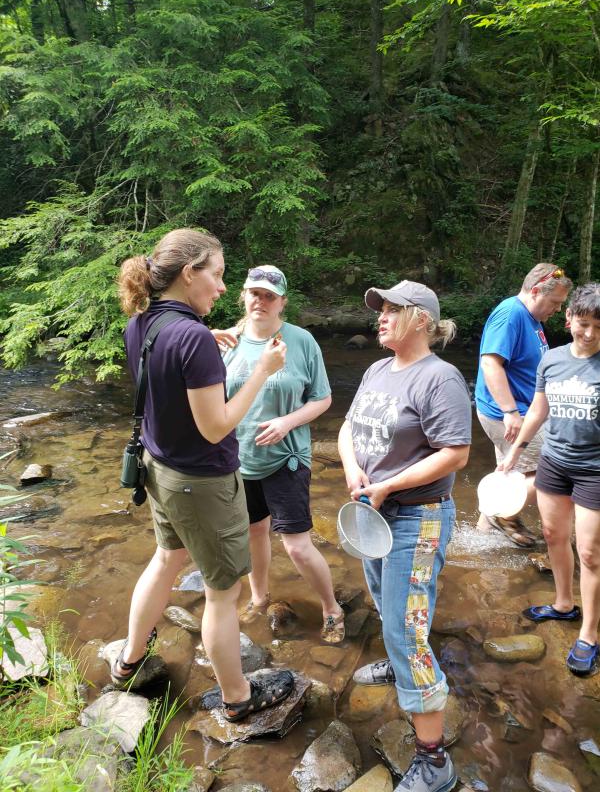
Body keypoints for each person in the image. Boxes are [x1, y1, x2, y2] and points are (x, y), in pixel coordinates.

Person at [115, 229, 294, 721]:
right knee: (222, 594)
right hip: (201, 482)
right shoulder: (191, 336)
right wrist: (262, 368)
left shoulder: (144, 321)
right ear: (189, 272)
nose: (221, 287)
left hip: (160, 471)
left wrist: (204, 343)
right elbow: (216, 427)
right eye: (215, 275)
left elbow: (165, 372)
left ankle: (128, 662)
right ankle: (238, 698)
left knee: (166, 559)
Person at [338, 280, 471, 792]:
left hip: (419, 516)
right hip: (373, 509)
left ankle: (435, 761)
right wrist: (354, 472)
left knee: (405, 629)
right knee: (386, 604)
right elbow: (350, 426)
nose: (381, 317)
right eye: (381, 309)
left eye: (392, 310)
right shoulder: (376, 369)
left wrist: (389, 483)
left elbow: (455, 453)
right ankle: (401, 669)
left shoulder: (441, 379)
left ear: (421, 320)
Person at [223, 265, 344, 643]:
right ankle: (259, 597)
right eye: (253, 293)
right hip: (239, 459)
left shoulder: (301, 341)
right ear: (242, 296)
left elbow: (322, 398)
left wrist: (287, 422)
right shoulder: (227, 341)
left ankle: (331, 608)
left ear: (282, 302)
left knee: (296, 544)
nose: (260, 301)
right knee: (253, 532)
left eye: (269, 296)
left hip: (287, 457)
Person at [500, 284, 600, 677]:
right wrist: (515, 451)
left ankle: (589, 635)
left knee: (591, 553)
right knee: (553, 535)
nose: (589, 333)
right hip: (554, 462)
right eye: (584, 323)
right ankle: (563, 604)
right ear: (569, 319)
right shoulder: (552, 360)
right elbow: (539, 407)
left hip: (594, 469)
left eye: (598, 326)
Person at [475, 264, 572, 547]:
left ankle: (482, 542)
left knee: (509, 473)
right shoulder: (511, 314)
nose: (557, 310)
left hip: (522, 411)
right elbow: (490, 363)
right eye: (555, 302)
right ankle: (500, 513)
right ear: (534, 291)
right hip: (507, 413)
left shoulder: (531, 318)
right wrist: (510, 412)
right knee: (561, 468)